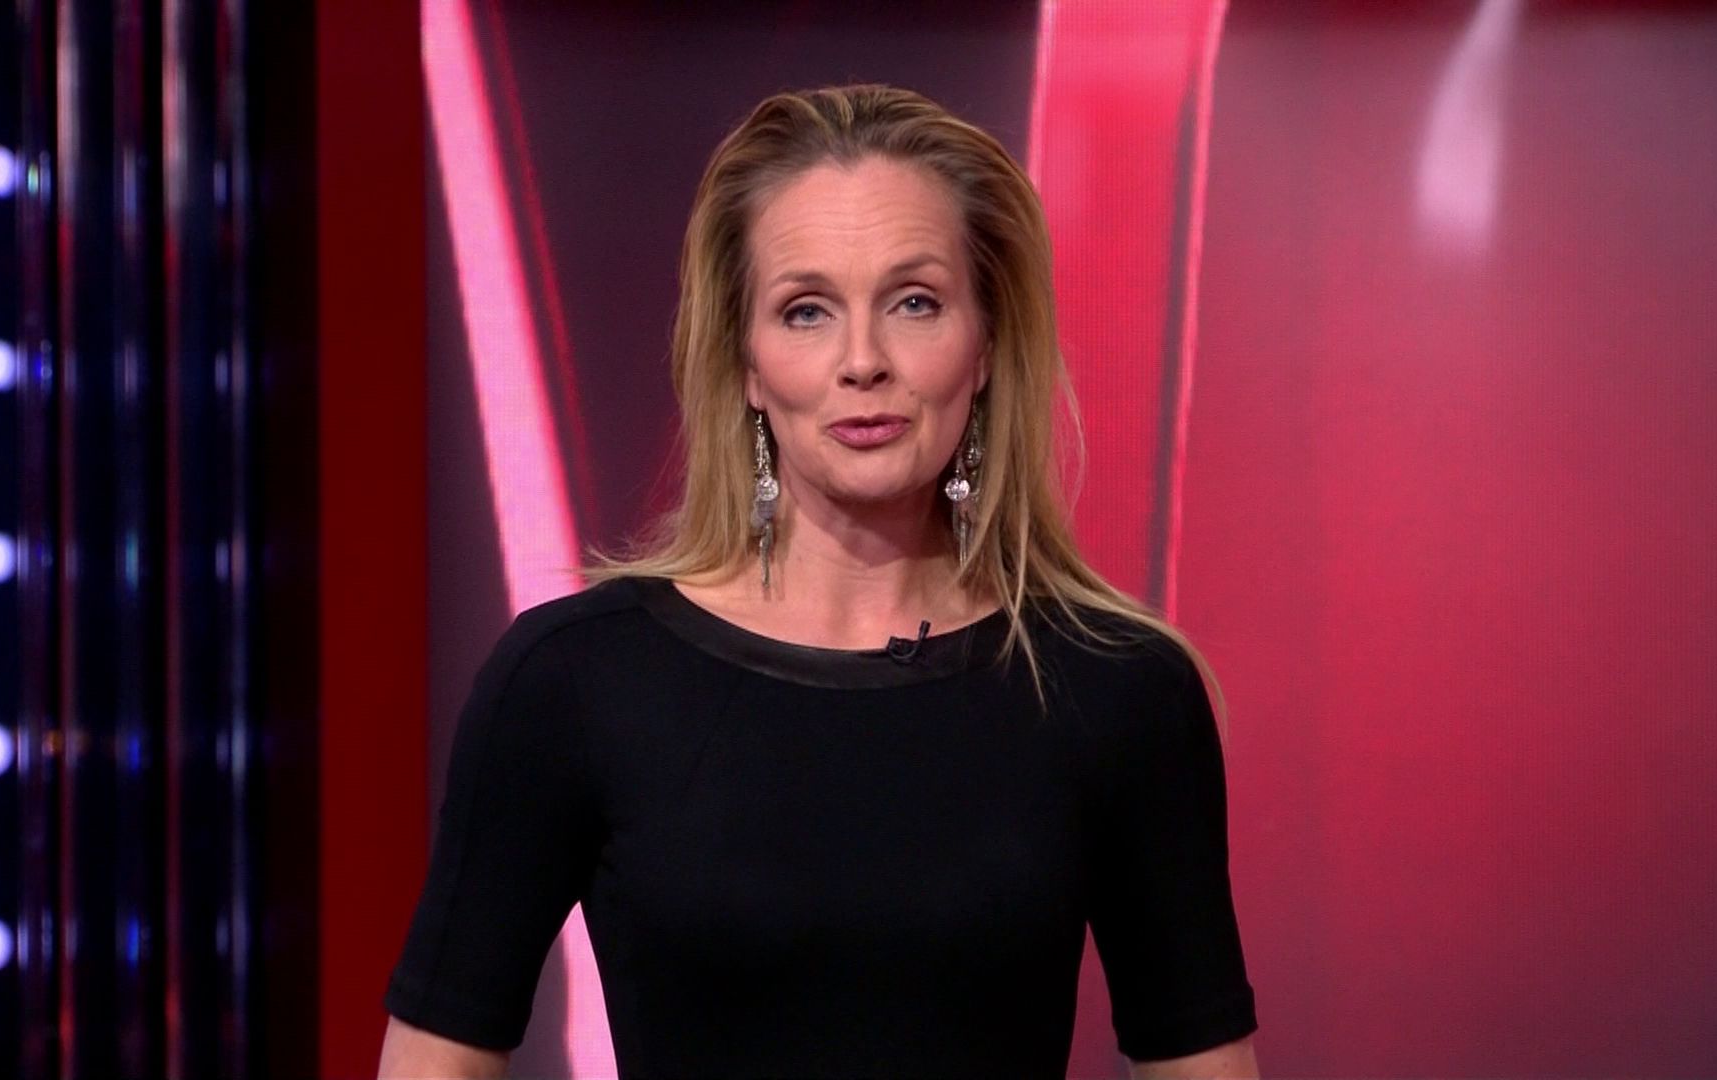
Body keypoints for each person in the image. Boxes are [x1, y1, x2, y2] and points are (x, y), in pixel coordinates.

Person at [377, 84, 1259, 1079]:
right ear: (748, 364)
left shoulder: (1118, 690)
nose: (862, 361)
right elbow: (436, 1060)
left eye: (915, 302)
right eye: (806, 311)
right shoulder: (573, 682)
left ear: (984, 345)